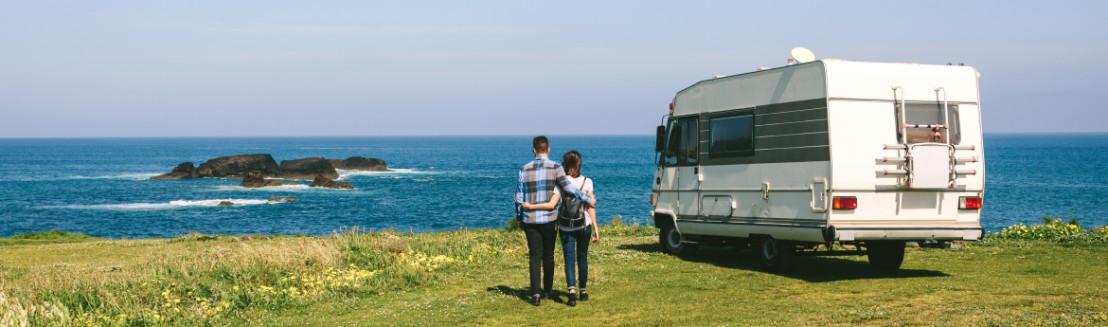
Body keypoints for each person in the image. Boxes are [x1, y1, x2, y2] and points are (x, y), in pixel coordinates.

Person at [515, 136, 595, 307]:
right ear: (548, 149)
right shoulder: (556, 167)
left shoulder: (524, 169)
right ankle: (548, 291)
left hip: (530, 219)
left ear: (534, 150)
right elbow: (568, 188)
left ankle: (535, 294)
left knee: (534, 256)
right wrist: (587, 199)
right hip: (549, 219)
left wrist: (519, 217)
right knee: (548, 255)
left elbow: (519, 197)